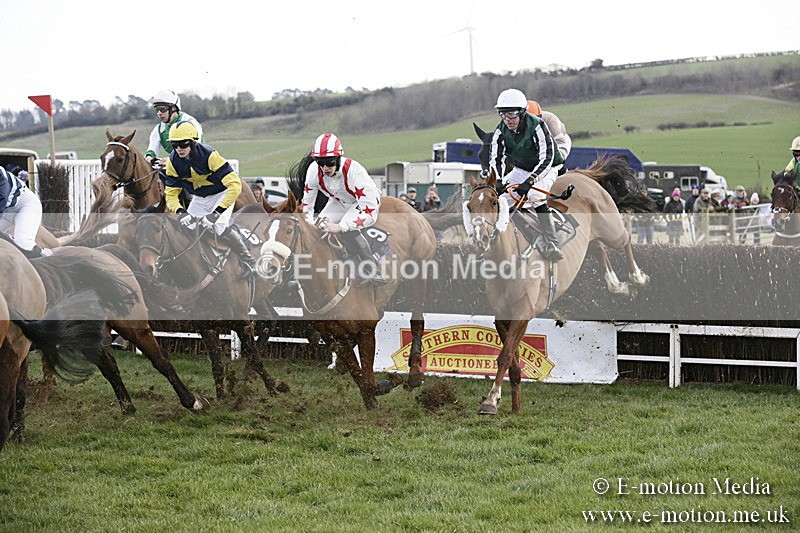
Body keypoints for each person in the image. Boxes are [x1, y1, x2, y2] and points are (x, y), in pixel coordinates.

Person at [163, 120, 255, 275]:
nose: (179, 149)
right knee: (186, 228)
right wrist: (180, 211)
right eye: (174, 145)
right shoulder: (172, 162)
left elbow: (234, 185)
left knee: (218, 227)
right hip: (199, 198)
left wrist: (216, 214)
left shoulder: (209, 155)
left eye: (183, 144)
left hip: (222, 194)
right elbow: (170, 194)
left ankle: (249, 261)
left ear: (193, 142)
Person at [300, 133, 387, 285]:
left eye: (330, 162)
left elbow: (370, 213)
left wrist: (341, 226)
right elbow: (307, 204)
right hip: (339, 201)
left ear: (339, 159)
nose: (325, 168)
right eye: (320, 162)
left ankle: (372, 269)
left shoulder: (355, 172)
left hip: (362, 202)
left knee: (347, 229)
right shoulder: (313, 170)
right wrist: (308, 224)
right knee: (316, 228)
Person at [488, 88, 562, 261]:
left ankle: (553, 243)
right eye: (503, 115)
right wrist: (498, 180)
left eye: (512, 114)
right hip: (522, 169)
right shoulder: (500, 130)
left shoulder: (537, 125)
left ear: (522, 112)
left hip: (548, 166)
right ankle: (497, 244)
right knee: (500, 200)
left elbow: (547, 158)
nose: (507, 120)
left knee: (535, 193)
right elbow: (496, 159)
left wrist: (530, 181)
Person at [144, 89, 204, 169]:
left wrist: (171, 160)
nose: (159, 113)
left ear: (173, 108)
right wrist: (149, 158)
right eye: (157, 109)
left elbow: (195, 151)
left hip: (198, 166)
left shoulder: (191, 123)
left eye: (162, 109)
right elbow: (151, 151)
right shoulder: (158, 129)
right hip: (176, 167)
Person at [0, 166, 52, 258]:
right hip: (7, 211)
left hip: (25, 205)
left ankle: (47, 258)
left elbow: (2, 197)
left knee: (23, 242)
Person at [527, 100, 572, 175]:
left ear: (539, 117)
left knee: (555, 163)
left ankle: (561, 169)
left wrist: (557, 163)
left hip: (559, 142)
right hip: (537, 143)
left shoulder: (551, 120)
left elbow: (561, 144)